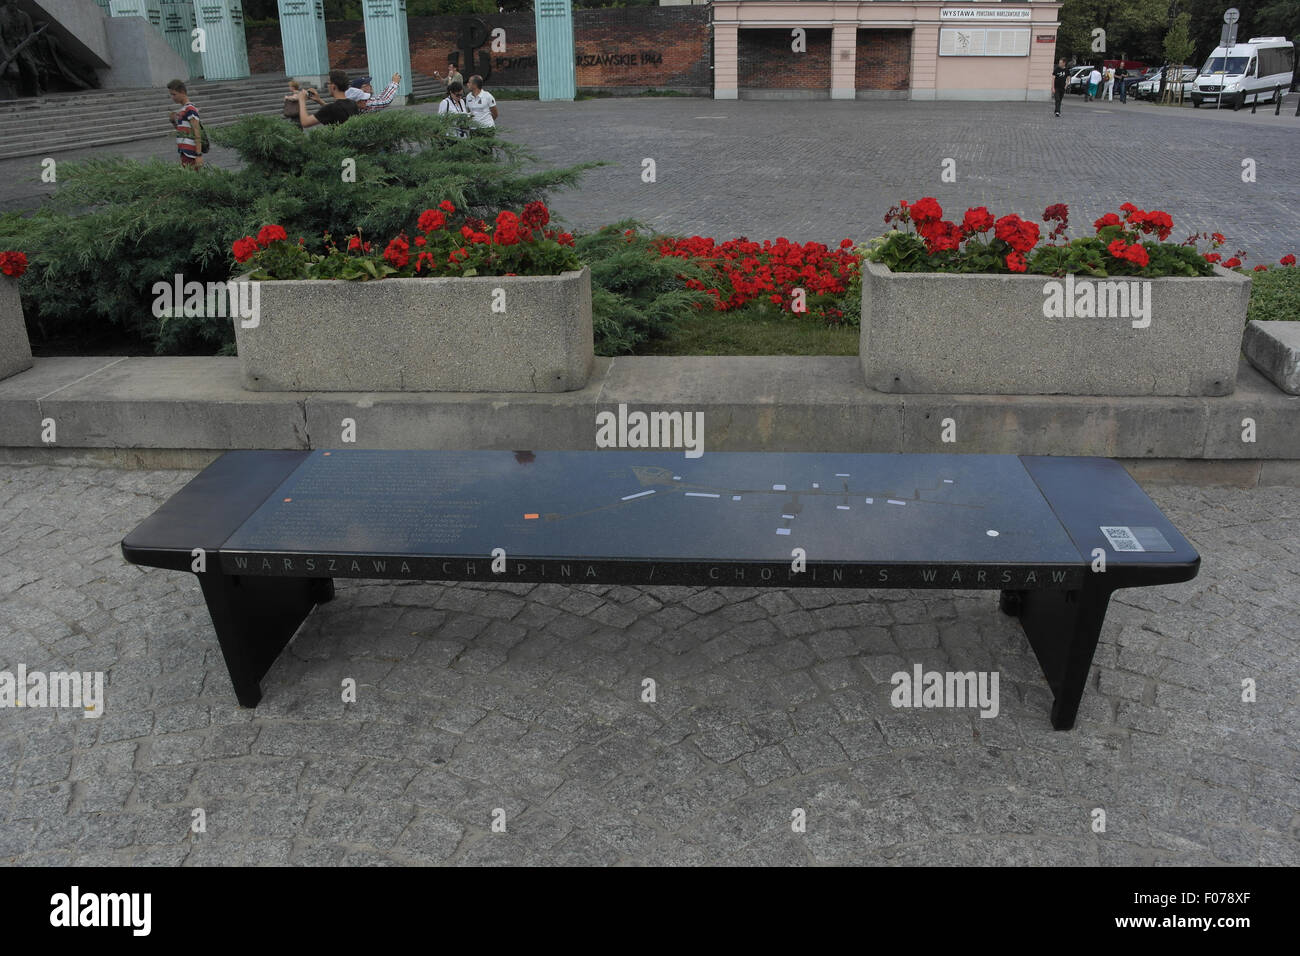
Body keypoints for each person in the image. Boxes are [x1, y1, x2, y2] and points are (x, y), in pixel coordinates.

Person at [166, 79, 203, 169]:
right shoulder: (183, 110)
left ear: (182, 92)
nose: (172, 97)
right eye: (171, 94)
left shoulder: (190, 109)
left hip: (191, 154)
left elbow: (196, 132)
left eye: (174, 94)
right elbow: (183, 132)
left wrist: (198, 155)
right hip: (185, 152)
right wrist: (173, 121)